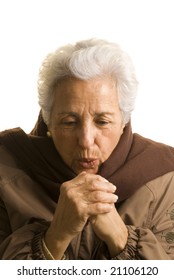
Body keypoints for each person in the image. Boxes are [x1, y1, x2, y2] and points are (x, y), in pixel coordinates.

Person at [0, 38, 174, 260]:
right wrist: (56, 236)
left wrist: (121, 238)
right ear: (49, 121)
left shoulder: (167, 177)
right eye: (69, 122)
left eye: (102, 121)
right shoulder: (5, 167)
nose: (85, 140)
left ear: (124, 121)